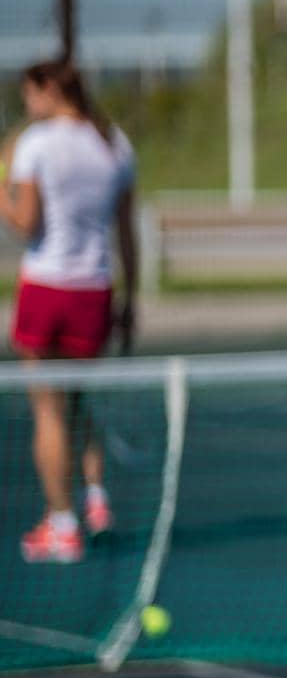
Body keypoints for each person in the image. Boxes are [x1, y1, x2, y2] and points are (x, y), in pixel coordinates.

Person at [1, 60, 139, 565]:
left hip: (47, 288)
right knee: (79, 404)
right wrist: (132, 300)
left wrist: (0, 187)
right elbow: (127, 235)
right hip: (95, 291)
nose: (26, 104)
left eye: (29, 94)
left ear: (48, 91)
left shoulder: (35, 145)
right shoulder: (114, 143)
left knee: (48, 412)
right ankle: (95, 497)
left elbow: (24, 222)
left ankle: (61, 525)